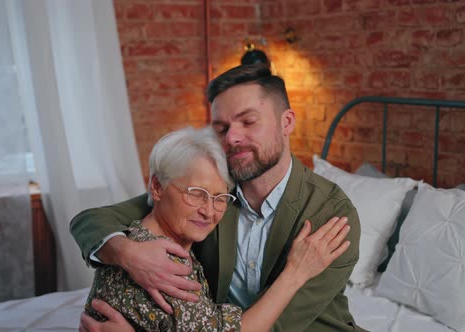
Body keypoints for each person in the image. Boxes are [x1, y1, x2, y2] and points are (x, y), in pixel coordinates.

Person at [71, 63, 365, 331]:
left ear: (286, 122)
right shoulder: (210, 192)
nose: (232, 138)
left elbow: (280, 326)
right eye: (221, 128)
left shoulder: (332, 213)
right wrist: (128, 254)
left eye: (248, 122)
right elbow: (91, 220)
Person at [83, 126, 351, 331]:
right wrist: (296, 272)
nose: (209, 211)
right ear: (157, 187)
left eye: (220, 197)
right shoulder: (161, 265)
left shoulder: (140, 233)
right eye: (197, 193)